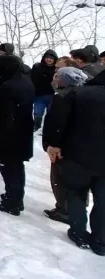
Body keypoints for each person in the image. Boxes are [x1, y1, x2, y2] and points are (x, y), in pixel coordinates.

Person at [41, 70, 105, 255]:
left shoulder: (76, 94)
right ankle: (101, 241)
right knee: (103, 200)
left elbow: (57, 123)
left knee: (76, 193)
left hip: (77, 155)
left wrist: (52, 144)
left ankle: (78, 231)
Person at [0, 55, 35, 215]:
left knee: (9, 169)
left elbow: (5, 116)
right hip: (22, 132)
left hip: (9, 136)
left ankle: (12, 202)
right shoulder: (25, 80)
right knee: (16, 168)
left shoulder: (8, 86)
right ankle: (15, 197)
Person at [42, 67, 88, 225]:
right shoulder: (84, 94)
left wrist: (51, 145)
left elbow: (57, 124)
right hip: (78, 145)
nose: (54, 79)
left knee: (59, 178)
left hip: (62, 147)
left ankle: (64, 210)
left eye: (57, 76)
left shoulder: (63, 97)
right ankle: (74, 208)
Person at [30, 49, 57, 131]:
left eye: (51, 58)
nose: (49, 59)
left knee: (51, 113)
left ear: (55, 59)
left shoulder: (57, 69)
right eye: (47, 57)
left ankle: (49, 128)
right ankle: (37, 126)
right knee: (38, 112)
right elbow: (31, 79)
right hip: (39, 95)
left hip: (52, 95)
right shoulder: (37, 67)